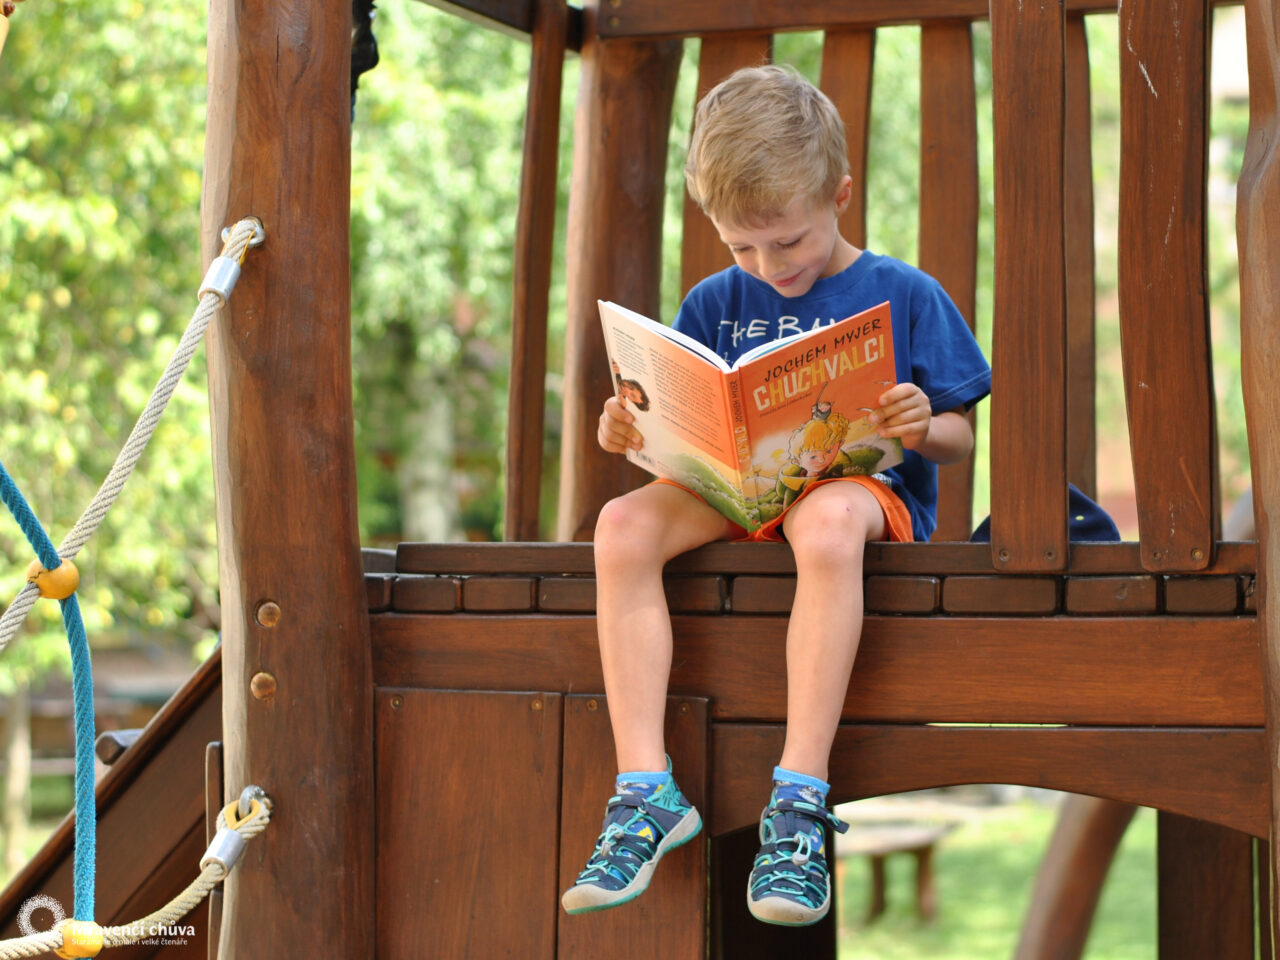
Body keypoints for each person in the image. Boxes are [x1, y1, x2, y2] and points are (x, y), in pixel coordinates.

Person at [560, 63, 991, 926]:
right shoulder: (716, 300)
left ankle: (798, 798)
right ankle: (645, 789)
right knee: (619, 526)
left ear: (839, 193)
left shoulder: (904, 293)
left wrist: (916, 420)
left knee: (826, 518)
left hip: (861, 495)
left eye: (787, 242)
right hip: (742, 495)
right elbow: (687, 436)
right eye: (741, 248)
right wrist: (632, 432)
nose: (768, 265)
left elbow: (958, 438)